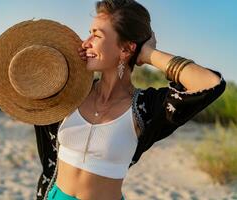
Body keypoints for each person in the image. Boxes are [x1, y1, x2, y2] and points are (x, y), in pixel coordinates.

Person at [34, 1, 226, 200]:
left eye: (97, 35)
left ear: (126, 49)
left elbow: (210, 83)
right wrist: (73, 61)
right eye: (89, 32)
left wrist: (148, 54)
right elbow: (30, 74)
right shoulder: (71, 92)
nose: (86, 42)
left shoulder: (144, 108)